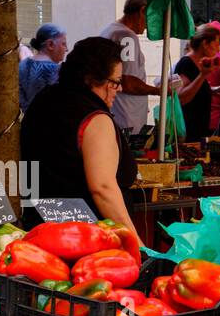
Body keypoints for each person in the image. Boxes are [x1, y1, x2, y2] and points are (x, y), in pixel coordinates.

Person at [20, 37, 140, 235]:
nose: (119, 89)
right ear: (91, 79)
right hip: (85, 237)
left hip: (38, 225)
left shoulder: (43, 100)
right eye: (115, 82)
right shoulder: (94, 118)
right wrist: (136, 243)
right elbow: (102, 188)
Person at [100, 0, 163, 135]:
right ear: (142, 11)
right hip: (126, 118)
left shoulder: (111, 30)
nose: (149, 25)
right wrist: (158, 91)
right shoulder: (127, 37)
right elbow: (127, 81)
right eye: (151, 17)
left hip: (118, 114)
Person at [172, 24, 220, 139]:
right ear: (205, 44)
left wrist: (217, 89)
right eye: (215, 44)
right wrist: (202, 75)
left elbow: (197, 91)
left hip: (199, 131)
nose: (218, 49)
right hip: (188, 132)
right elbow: (180, 97)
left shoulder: (199, 64)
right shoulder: (187, 64)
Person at [19, 23, 67, 112]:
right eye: (63, 44)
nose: (66, 49)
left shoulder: (21, 66)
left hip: (28, 123)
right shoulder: (58, 71)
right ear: (50, 44)